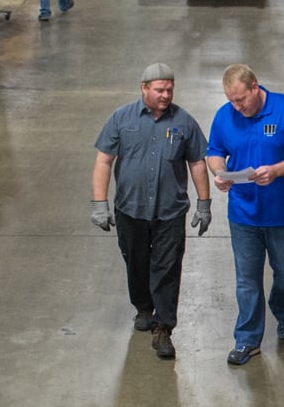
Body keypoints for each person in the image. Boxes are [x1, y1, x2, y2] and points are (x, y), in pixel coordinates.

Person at [91, 63, 212, 360]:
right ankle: (143, 307)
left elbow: (197, 162)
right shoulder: (121, 118)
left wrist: (204, 204)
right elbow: (104, 160)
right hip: (130, 210)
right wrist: (99, 203)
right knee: (136, 262)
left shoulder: (184, 122)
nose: (165, 95)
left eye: (169, 89)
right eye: (159, 89)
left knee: (167, 268)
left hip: (170, 211)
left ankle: (163, 328)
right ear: (144, 88)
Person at [207, 64, 284, 366]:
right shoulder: (225, 116)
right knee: (246, 280)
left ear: (255, 87)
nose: (236, 106)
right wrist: (219, 173)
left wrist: (277, 170)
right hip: (244, 215)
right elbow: (214, 150)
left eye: (241, 99)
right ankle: (247, 339)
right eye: (231, 100)